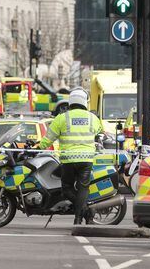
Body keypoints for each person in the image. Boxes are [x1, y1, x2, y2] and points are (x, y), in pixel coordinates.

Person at [37, 87, 102, 224]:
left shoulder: (62, 118)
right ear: (84, 101)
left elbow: (48, 139)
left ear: (70, 101)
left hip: (68, 160)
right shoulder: (93, 118)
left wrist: (39, 146)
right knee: (83, 187)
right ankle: (80, 217)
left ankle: (83, 213)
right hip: (86, 159)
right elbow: (99, 131)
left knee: (66, 189)